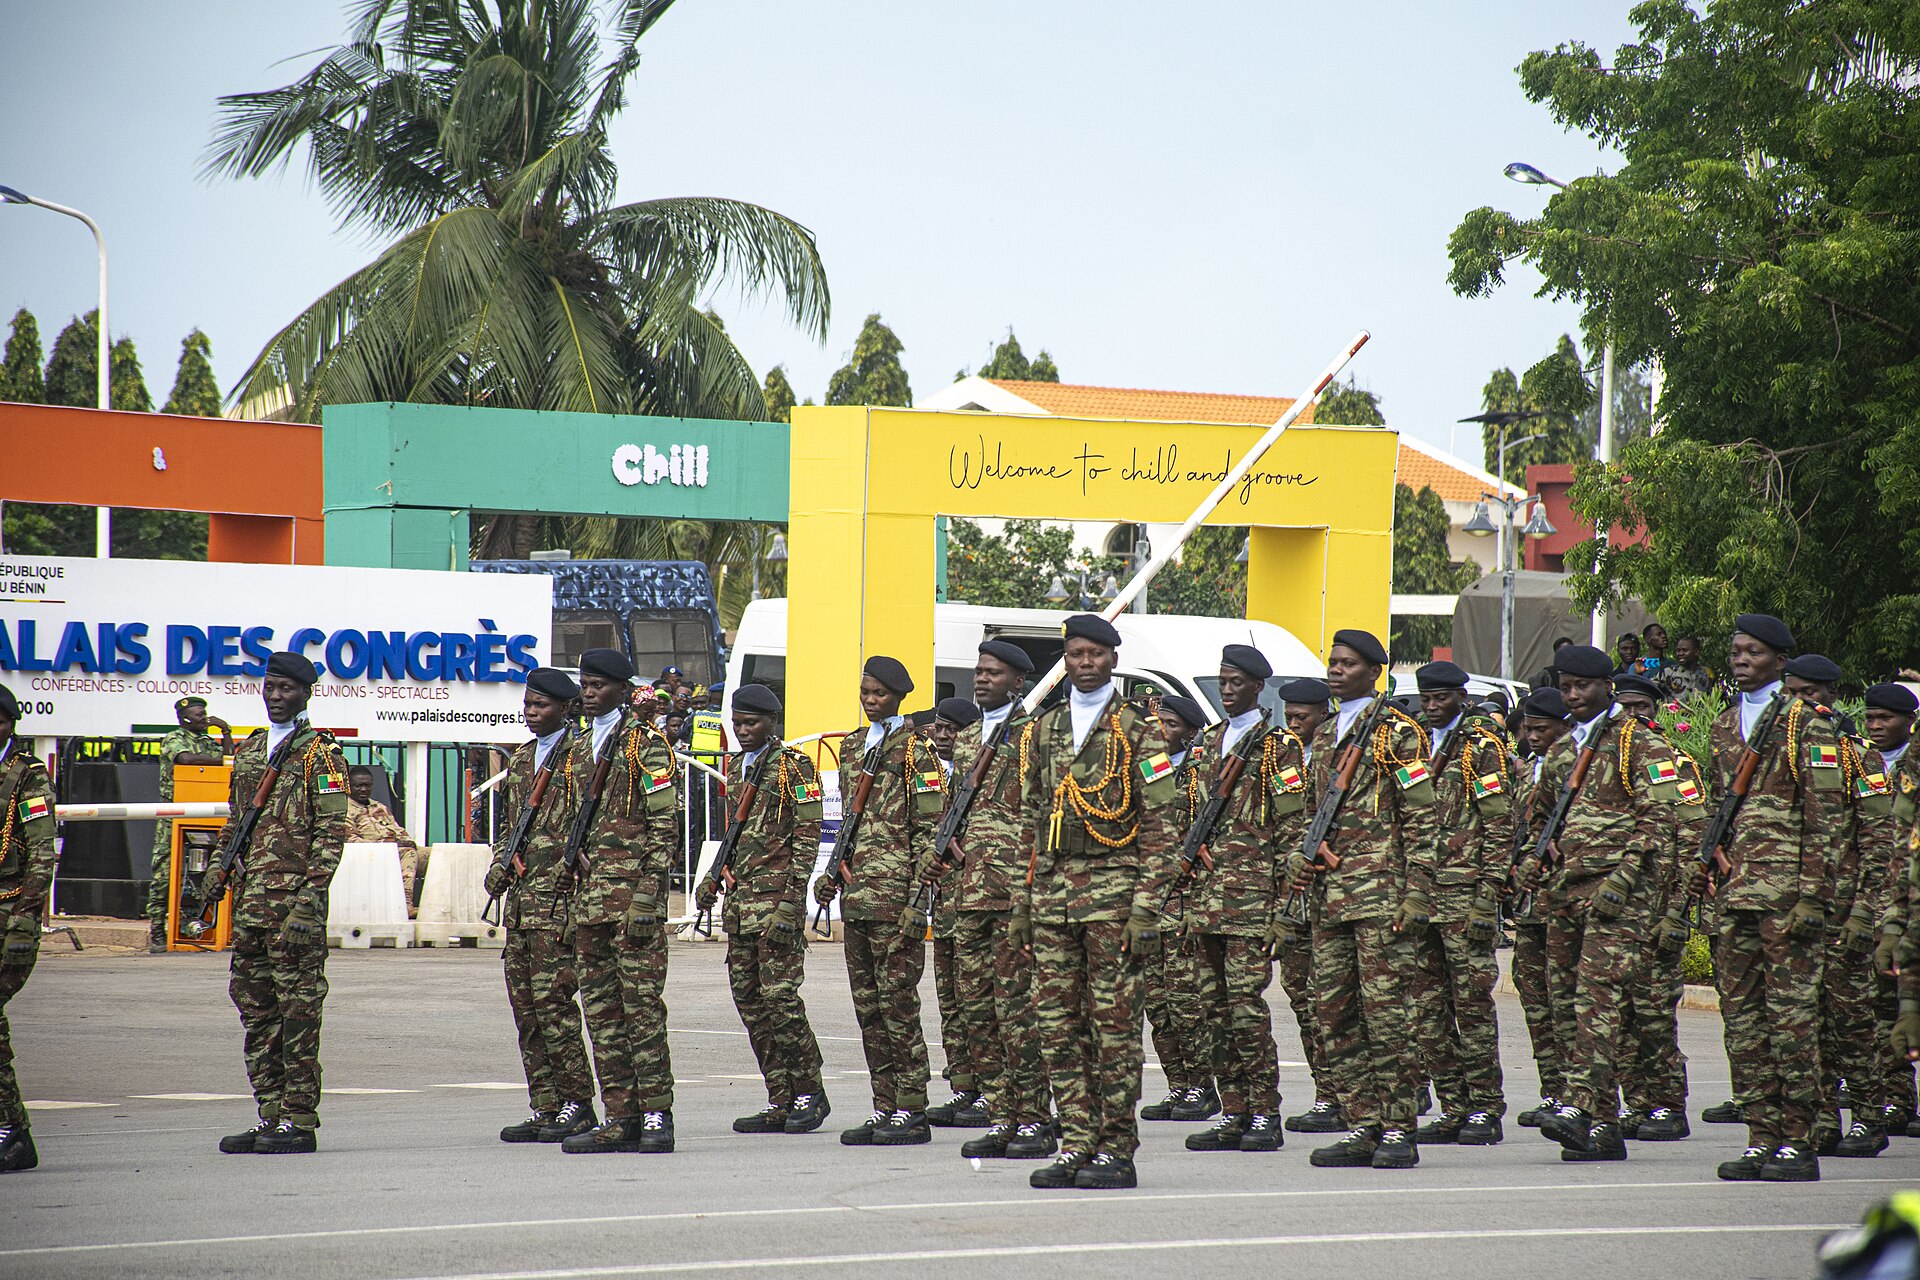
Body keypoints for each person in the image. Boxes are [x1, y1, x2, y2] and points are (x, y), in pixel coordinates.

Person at [1017, 614, 1180, 1190]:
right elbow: (1033, 817)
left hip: (1115, 899)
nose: (1085, 663)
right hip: (1054, 899)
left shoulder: (1140, 728)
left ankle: (1116, 1147)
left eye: (1095, 654)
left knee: (1113, 1027)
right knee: (1058, 1025)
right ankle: (1077, 1141)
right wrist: (1023, 900)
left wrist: (1146, 907)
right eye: (1075, 654)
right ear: (1065, 659)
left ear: (1113, 658)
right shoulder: (1045, 727)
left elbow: (1163, 822)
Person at [1688, 615, 1851, 1182]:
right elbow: (1718, 807)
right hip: (1736, 897)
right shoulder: (1724, 723)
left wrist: (1813, 898)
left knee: (1793, 1022)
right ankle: (1762, 1134)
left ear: (1781, 661)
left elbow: (1826, 817)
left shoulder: (1806, 723)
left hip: (1788, 899)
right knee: (1743, 1022)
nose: (1739, 659)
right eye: (1734, 650)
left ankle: (1799, 1140)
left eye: (1752, 652)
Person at [1519, 645, 1693, 1164]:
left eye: (1583, 687)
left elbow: (1660, 821)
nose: (1573, 695)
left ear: (1607, 688)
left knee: (1598, 1001)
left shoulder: (1639, 743)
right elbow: (1540, 821)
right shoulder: (1560, 752)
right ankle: (1603, 1125)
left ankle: (1578, 1105)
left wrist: (1624, 877)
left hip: (1622, 897)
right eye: (1566, 686)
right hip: (1566, 894)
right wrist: (1534, 859)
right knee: (1567, 1005)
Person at [1285, 628, 1437, 1170]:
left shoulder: (1398, 734)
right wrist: (1297, 861)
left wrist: (1417, 894)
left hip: (1380, 897)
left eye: (1347, 664)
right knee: (1335, 1013)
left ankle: (1398, 1128)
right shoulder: (1324, 735)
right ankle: (1363, 1122)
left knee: (1387, 1017)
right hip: (1331, 899)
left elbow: (1422, 816)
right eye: (1333, 661)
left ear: (1375, 672)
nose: (1335, 670)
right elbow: (1306, 814)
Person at [202, 652, 349, 1156]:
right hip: (250, 906)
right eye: (270, 686)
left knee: (298, 1013)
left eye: (286, 688)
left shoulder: (320, 755)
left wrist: (309, 902)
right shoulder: (251, 750)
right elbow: (235, 822)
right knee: (256, 1010)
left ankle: (299, 1119)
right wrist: (216, 872)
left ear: (305, 693)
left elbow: (332, 833)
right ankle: (269, 1113)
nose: (275, 695)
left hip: (293, 911)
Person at [1177, 645, 1306, 1155]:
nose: (1227, 690)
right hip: (1206, 899)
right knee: (1212, 1009)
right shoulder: (1210, 741)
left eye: (1236, 682)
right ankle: (1233, 1109)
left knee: (1246, 1010)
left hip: (1251, 901)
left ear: (1257, 687)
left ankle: (1264, 1113)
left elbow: (1293, 825)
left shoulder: (1279, 746)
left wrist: (1281, 905)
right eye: (1222, 681)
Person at [813, 656, 943, 1146]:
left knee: (898, 1007)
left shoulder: (916, 752)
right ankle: (884, 1106)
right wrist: (831, 876)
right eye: (865, 691)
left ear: (898, 696)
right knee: (867, 1010)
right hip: (858, 896)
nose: (870, 700)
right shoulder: (851, 747)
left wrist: (918, 901)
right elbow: (850, 823)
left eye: (879, 694)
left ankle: (912, 1108)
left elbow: (929, 832)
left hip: (896, 902)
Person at [692, 683, 831, 1136]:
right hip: (742, 908)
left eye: (751, 723)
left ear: (773, 723)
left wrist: (792, 903)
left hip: (776, 907)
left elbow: (806, 839)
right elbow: (735, 837)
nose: (743, 731)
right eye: (736, 724)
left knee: (781, 1001)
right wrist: (711, 878)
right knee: (751, 1003)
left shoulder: (794, 767)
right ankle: (781, 1096)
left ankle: (810, 1091)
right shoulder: (737, 769)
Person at [563, 648, 681, 1155]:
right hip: (590, 903)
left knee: (641, 1011)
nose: (588, 692)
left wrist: (649, 895)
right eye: (584, 684)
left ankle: (656, 1114)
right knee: (603, 1014)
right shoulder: (580, 745)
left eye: (597, 684)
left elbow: (664, 825)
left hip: (632, 901)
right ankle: (620, 1116)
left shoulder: (645, 745)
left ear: (622, 689)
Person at [943, 642, 1056, 1160]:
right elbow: (954, 811)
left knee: (1017, 1011)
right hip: (969, 893)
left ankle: (1035, 1117)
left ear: (1018, 681)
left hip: (1015, 893)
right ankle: (1002, 1114)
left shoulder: (1035, 736)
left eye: (994, 673)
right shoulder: (967, 740)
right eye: (979, 670)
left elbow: (1050, 810)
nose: (982, 679)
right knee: (977, 1010)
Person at [482, 668, 597, 1146]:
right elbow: (510, 827)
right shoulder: (525, 759)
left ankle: (577, 1103)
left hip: (560, 903)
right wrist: (499, 863)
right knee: (526, 1009)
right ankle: (546, 1104)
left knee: (556, 1008)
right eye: (528, 703)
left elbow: (590, 827)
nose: (532, 712)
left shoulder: (583, 759)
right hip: (523, 906)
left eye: (542, 705)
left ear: (567, 708)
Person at [1406, 660, 1510, 1147]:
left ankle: (1485, 1107)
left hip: (1464, 894)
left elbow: (1498, 825)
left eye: (1441, 698)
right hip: (1419, 895)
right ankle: (1452, 1105)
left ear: (1460, 698)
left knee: (1470, 1007)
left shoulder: (1480, 748)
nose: (1431, 706)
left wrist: (1487, 898)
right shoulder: (1413, 746)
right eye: (1425, 699)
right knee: (1426, 1010)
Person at [1611, 673, 1698, 1142]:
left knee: (1652, 1012)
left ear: (1656, 710)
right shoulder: (1609, 760)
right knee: (1619, 1012)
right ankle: (1640, 1102)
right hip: (1619, 909)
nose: (1632, 716)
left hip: (1658, 906)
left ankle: (1668, 1103)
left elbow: (1690, 841)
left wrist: (1676, 912)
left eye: (1640, 707)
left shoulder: (1673, 763)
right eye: (1623, 707)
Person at [1139, 693, 1218, 1126]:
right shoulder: (1151, 771)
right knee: (1158, 1004)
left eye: (1169, 724)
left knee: (1187, 1003)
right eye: (1157, 723)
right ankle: (1179, 1086)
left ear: (1190, 731)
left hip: (1186, 904)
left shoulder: (1199, 773)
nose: (1160, 732)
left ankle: (1204, 1088)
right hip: (1152, 904)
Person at [1276, 677, 1342, 1135]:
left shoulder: (1333, 753)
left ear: (1324, 714)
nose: (1294, 724)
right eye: (1289, 716)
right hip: (1291, 896)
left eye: (1303, 717)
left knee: (1332, 1002)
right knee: (1302, 998)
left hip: (1331, 893)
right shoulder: (1281, 757)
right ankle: (1326, 1093)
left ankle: (1343, 1095)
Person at [924, 696, 990, 1127]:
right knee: (951, 1004)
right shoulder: (932, 775)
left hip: (974, 907)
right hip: (944, 908)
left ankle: (991, 1090)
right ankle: (965, 1088)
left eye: (953, 730)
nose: (943, 736)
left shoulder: (980, 777)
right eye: (938, 727)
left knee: (981, 1003)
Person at [0, 685, 56, 1172]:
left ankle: (11, 1130)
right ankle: (11, 1130)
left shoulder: (28, 778)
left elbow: (41, 855)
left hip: (9, 914)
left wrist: (24, 922)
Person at [1511, 687, 1572, 1127]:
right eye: (1527, 729)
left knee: (1567, 1003)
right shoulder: (1526, 771)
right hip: (1529, 905)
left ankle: (1576, 1093)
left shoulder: (1578, 769)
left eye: (1541, 729)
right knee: (1536, 1002)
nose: (1532, 736)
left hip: (1562, 902)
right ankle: (1552, 1091)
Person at [1865, 684, 1918, 1138]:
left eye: (1886, 719)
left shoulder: (1913, 764)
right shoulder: (1857, 761)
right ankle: (1896, 1100)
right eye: (1870, 719)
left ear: (1909, 720)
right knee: (1882, 1006)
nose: (1876, 727)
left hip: (1908, 890)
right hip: (1875, 895)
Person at [148, 696, 231, 952]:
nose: (204, 718)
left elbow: (229, 761)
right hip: (174, 814)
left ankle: (194, 928)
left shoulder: (207, 742)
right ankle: (157, 930)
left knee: (198, 874)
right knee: (165, 873)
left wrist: (225, 732)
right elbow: (186, 761)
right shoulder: (174, 738)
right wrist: (221, 762)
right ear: (184, 718)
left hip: (203, 815)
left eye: (204, 713)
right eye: (198, 715)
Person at [345, 765, 422, 913]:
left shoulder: (379, 807)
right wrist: (385, 845)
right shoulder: (345, 809)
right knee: (409, 853)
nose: (363, 789)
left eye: (367, 785)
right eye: (358, 786)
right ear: (348, 786)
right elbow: (351, 840)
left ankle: (437, 905)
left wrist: (406, 840)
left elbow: (399, 831)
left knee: (437, 854)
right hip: (371, 854)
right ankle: (405, 905)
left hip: (396, 849)